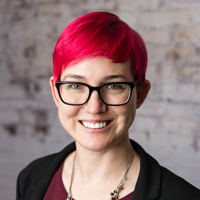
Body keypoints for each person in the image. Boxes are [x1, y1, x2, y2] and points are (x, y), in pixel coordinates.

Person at [16, 12, 200, 200]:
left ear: (140, 94)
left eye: (113, 86)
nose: (94, 108)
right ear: (57, 93)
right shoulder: (31, 178)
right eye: (76, 85)